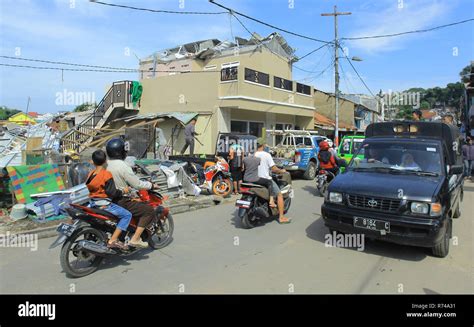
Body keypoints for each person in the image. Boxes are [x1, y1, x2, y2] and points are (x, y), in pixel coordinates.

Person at [106, 138, 160, 249]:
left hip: (108, 199)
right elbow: (137, 184)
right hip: (121, 200)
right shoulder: (123, 166)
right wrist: (151, 185)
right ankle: (135, 239)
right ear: (121, 152)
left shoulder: (105, 164)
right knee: (148, 211)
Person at [85, 150, 132, 250]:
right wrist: (124, 191)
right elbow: (113, 193)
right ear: (105, 161)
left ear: (92, 162)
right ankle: (113, 240)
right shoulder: (106, 174)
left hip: (92, 203)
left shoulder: (90, 174)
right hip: (104, 204)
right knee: (127, 215)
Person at [254, 138, 291, 224]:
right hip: (265, 179)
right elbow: (274, 169)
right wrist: (282, 171)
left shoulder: (253, 154)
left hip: (254, 179)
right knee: (280, 195)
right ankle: (281, 217)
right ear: (263, 145)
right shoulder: (266, 155)